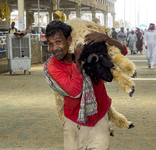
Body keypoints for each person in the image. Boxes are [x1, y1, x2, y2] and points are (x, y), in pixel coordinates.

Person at [45, 20, 127, 150]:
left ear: (69, 40)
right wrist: (77, 61)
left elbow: (122, 51)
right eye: (50, 44)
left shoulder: (89, 50)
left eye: (58, 42)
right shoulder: (53, 66)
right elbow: (75, 91)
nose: (55, 48)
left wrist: (105, 38)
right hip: (73, 123)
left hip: (98, 119)